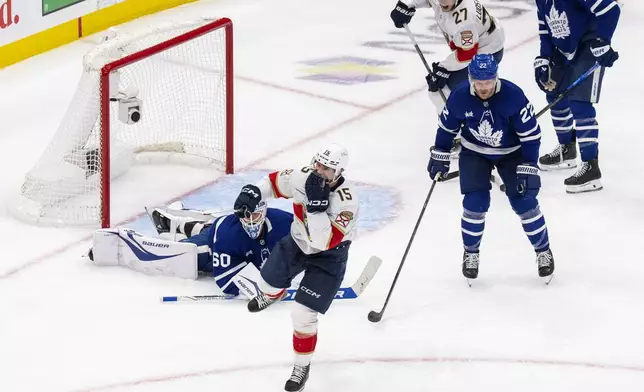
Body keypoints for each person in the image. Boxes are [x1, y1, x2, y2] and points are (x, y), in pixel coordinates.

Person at [233, 143, 359, 392]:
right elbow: (273, 182)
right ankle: (274, 293)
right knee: (265, 284)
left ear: (339, 173)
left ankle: (301, 366)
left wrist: (316, 207)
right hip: (297, 242)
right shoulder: (303, 176)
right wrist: (253, 191)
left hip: (329, 256)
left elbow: (322, 242)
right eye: (318, 164)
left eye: (327, 169)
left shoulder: (347, 203)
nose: (319, 171)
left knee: (302, 315)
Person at [427, 54, 555, 281]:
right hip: (474, 153)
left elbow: (531, 136)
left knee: (525, 202)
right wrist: (440, 154)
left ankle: (543, 251)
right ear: (470, 78)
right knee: (475, 204)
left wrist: (530, 165)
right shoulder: (459, 96)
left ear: (496, 78)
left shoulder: (513, 96)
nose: (483, 87)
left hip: (511, 153)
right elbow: (446, 128)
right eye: (479, 82)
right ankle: (471, 253)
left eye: (488, 82)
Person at [88, 201, 292, 296]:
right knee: (183, 255)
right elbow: (227, 282)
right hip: (217, 246)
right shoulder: (229, 235)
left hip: (226, 237)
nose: (252, 221)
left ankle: (176, 224)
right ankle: (118, 244)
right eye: (246, 216)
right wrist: (264, 287)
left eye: (256, 215)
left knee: (211, 231)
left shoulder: (283, 222)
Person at [534, 0, 620, 193]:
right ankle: (567, 149)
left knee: (579, 103)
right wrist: (543, 59)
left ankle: (591, 168)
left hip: (588, 48)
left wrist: (602, 41)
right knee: (553, 91)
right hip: (564, 51)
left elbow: (610, 9)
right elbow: (545, 30)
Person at [390, 0, 505, 112]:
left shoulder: (465, 19)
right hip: (480, 42)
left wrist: (443, 68)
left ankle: (455, 127)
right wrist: (406, 4)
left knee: (440, 91)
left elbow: (467, 54)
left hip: (487, 52)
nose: (442, 2)